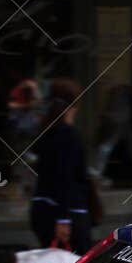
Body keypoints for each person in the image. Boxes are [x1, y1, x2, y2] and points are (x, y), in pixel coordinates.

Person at [30, 79, 94, 253]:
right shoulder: (68, 135)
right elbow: (65, 178)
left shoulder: (46, 132)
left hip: (42, 208)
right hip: (69, 212)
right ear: (74, 105)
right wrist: (63, 219)